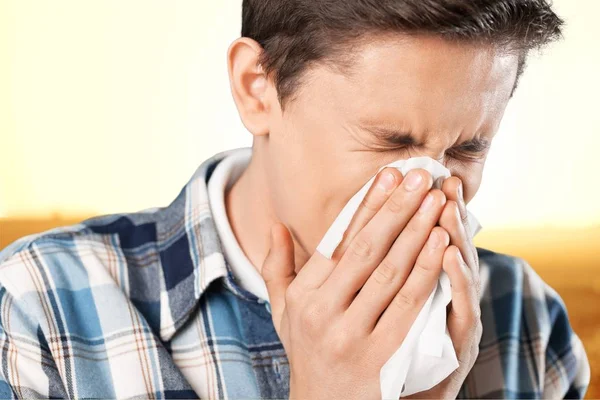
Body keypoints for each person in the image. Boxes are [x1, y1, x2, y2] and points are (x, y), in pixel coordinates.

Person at [0, 0, 590, 398]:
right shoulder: (41, 310)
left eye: (467, 150)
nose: (428, 194)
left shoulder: (526, 321)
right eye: (391, 143)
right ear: (257, 89)